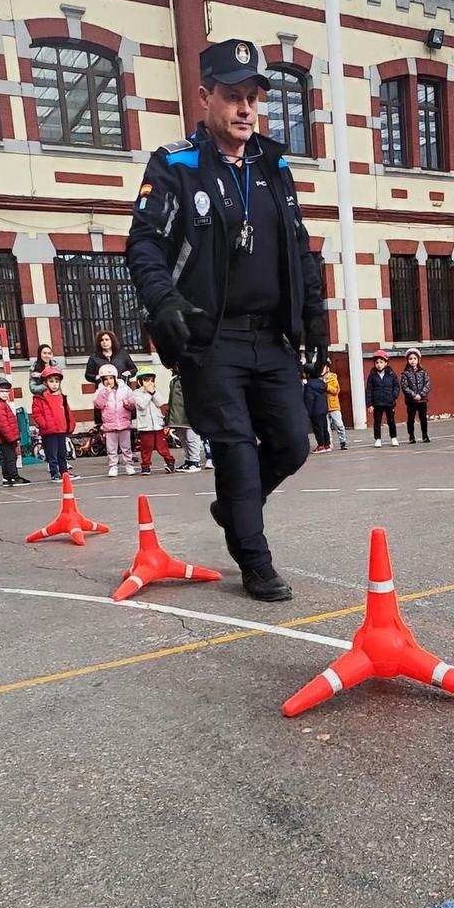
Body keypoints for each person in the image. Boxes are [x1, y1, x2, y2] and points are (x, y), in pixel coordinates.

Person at [125, 38, 327, 601]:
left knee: (292, 443)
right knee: (237, 448)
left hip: (271, 334)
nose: (245, 109)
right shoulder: (175, 165)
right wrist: (164, 302)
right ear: (205, 96)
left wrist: (314, 317)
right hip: (210, 338)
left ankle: (233, 509)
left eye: (253, 99)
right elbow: (144, 244)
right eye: (233, 97)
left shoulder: (274, 163)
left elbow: (298, 244)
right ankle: (254, 559)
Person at [92, 362, 137, 476]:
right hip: (110, 425)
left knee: (126, 447)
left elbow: (133, 403)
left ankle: (129, 465)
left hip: (123, 423)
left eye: (111, 378)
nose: (108, 381)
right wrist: (105, 393)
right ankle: (113, 466)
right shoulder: (100, 390)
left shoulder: (124, 388)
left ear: (115, 378)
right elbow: (98, 404)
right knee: (111, 449)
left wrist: (127, 403)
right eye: (105, 379)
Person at [31, 367, 74, 481]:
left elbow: (67, 413)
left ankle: (64, 472)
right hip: (49, 432)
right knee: (52, 454)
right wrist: (44, 425)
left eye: (56, 381)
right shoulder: (39, 398)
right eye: (51, 381)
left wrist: (70, 425)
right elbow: (37, 414)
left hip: (61, 430)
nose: (54, 384)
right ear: (45, 383)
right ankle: (54, 473)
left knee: (62, 453)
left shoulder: (61, 398)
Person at [131, 370, 179, 473]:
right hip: (145, 426)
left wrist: (153, 392)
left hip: (157, 425)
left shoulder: (155, 391)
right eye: (146, 380)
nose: (149, 382)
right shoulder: (136, 393)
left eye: (151, 380)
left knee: (162, 447)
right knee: (146, 447)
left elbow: (160, 402)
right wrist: (148, 393)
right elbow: (141, 405)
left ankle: (170, 462)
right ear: (139, 382)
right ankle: (145, 466)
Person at [0, 376, 29, 487]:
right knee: (11, 457)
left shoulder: (0, 404)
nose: (5, 393)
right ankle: (13, 477)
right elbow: (3, 424)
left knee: (6, 457)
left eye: (7, 391)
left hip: (4, 437)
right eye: (2, 391)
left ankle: (7, 477)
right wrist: (12, 438)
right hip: (6, 437)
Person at [166, 370, 204, 473]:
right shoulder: (174, 381)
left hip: (188, 414)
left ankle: (195, 461)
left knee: (191, 437)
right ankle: (189, 460)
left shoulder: (190, 379)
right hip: (177, 415)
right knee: (183, 438)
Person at [366, 351, 400, 447]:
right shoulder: (372, 375)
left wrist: (393, 396)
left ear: (386, 363)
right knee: (377, 421)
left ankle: (393, 437)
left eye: (381, 362)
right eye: (377, 362)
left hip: (389, 402)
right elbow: (369, 390)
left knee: (391, 420)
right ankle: (378, 439)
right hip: (377, 402)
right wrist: (369, 404)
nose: (379, 365)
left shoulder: (391, 374)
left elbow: (396, 386)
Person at [400, 348, 432, 444]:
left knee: (423, 419)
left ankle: (425, 435)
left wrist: (421, 394)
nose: (412, 361)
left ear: (418, 360)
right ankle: (411, 436)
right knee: (411, 419)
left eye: (414, 358)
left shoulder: (423, 372)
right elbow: (404, 386)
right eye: (410, 359)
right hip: (411, 401)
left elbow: (427, 384)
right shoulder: (405, 373)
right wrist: (413, 395)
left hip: (422, 400)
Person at [303, 361, 331, 451]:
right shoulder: (321, 383)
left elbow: (309, 400)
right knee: (324, 427)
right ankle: (327, 444)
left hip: (315, 411)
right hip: (323, 409)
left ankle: (321, 445)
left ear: (307, 374)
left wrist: (307, 413)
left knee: (317, 429)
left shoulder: (309, 386)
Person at [321, 363, 348, 451]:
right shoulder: (319, 379)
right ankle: (330, 444)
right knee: (327, 427)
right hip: (324, 406)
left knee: (339, 424)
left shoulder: (332, 378)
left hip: (334, 406)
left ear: (327, 368)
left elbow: (336, 390)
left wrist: (326, 386)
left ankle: (343, 441)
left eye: (323, 367)